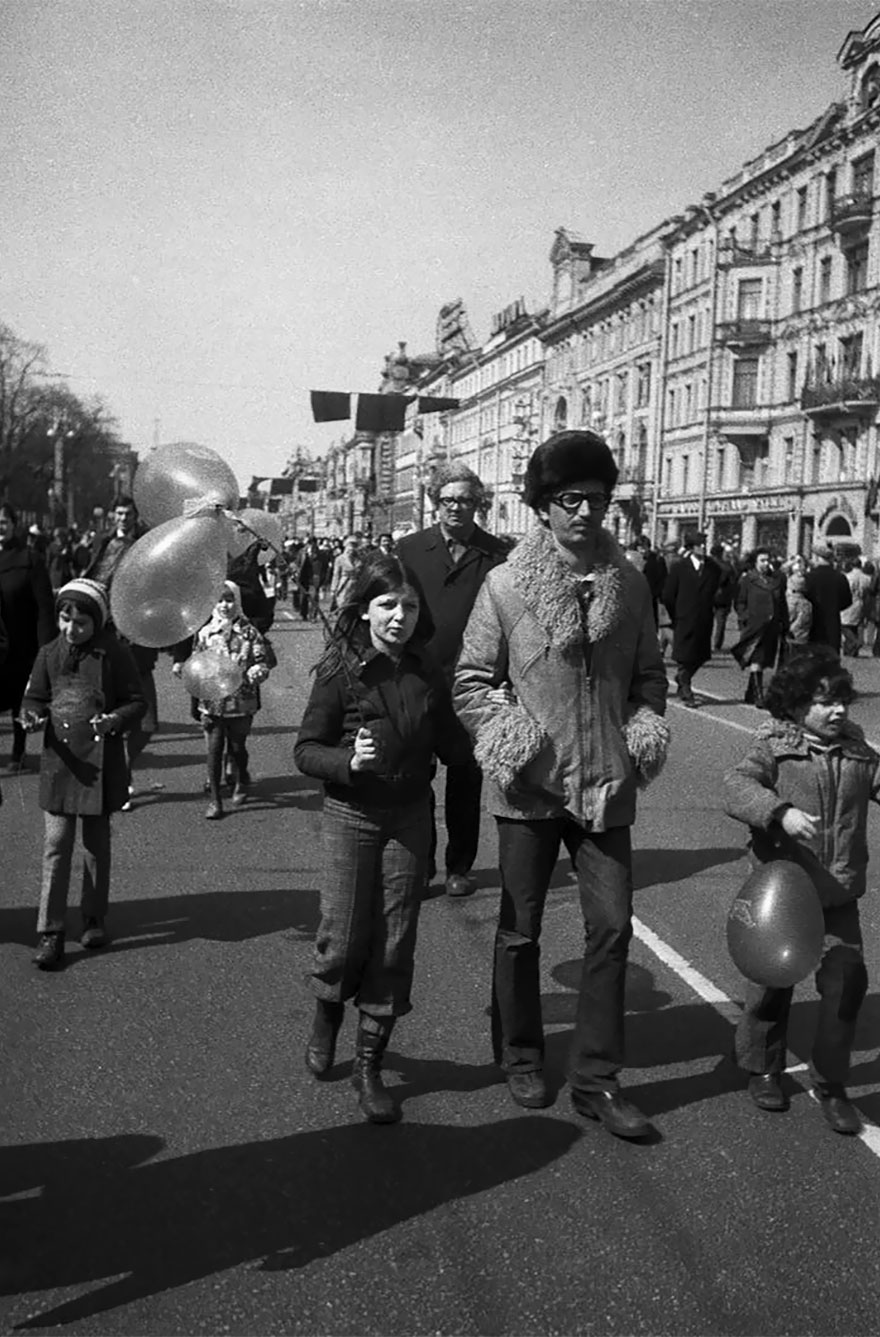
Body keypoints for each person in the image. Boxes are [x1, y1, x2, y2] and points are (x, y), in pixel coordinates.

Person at [455, 430, 669, 1138]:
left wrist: (641, 730)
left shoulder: (631, 584)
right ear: (543, 506)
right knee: (520, 928)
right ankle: (520, 1052)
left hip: (605, 785)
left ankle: (597, 1079)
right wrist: (513, 739)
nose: (584, 511)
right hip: (529, 789)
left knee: (612, 928)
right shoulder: (506, 584)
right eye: (569, 498)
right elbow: (471, 683)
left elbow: (648, 680)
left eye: (596, 498)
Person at [294, 554, 472, 1124]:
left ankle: (369, 1067)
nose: (399, 616)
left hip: (410, 818)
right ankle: (328, 1010)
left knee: (394, 943)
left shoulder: (427, 670)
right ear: (366, 609)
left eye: (409, 606)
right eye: (387, 605)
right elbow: (305, 751)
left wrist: (500, 735)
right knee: (343, 937)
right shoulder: (340, 671)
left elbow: (454, 745)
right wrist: (348, 761)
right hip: (351, 817)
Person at [723, 645, 873, 1135]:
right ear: (794, 705)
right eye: (824, 700)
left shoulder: (857, 750)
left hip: (838, 894)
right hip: (785, 895)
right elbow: (737, 786)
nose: (838, 710)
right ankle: (763, 1067)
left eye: (842, 700)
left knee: (846, 984)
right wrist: (779, 811)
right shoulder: (773, 746)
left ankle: (831, 1084)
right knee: (771, 984)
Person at [19, 578, 146, 970]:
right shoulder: (49, 654)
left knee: (95, 847)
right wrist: (31, 716)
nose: (71, 630)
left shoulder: (115, 654)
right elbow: (34, 697)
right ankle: (51, 930)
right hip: (60, 766)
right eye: (64, 619)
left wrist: (114, 720)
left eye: (80, 623)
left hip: (100, 766)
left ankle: (93, 917)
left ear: (98, 622)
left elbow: (136, 702)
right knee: (56, 846)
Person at [396, 463, 508, 897]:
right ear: (434, 503)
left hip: (473, 685)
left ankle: (459, 866)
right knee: (415, 778)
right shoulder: (410, 549)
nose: (456, 508)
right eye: (448, 500)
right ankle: (420, 865)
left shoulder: (496, 553)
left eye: (465, 500)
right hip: (419, 678)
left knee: (466, 780)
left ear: (477, 504)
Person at [175, 581, 271, 820]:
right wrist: (185, 669)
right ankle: (216, 800)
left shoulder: (249, 631)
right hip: (212, 701)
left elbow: (261, 660)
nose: (224, 605)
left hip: (241, 700)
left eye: (229, 600)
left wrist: (258, 671)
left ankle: (241, 779)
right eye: (219, 601)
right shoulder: (205, 632)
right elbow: (196, 660)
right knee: (214, 749)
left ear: (236, 602)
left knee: (238, 748)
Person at [85, 497, 157, 798]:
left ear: (135, 516)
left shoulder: (146, 544)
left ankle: (123, 769)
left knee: (148, 723)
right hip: (107, 640)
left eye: (128, 513)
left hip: (137, 644)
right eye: (119, 513)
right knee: (106, 716)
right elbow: (91, 580)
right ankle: (111, 780)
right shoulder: (103, 544)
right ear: (113, 516)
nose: (123, 518)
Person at [0, 503, 56, 773]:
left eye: (3, 522)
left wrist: (46, 651)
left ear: (13, 524)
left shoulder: (29, 559)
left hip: (21, 643)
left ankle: (18, 751)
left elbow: (44, 609)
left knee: (17, 701)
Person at [662, 531, 721, 707]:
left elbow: (717, 589)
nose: (703, 548)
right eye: (699, 545)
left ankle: (682, 678)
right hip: (684, 617)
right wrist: (676, 613)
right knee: (685, 655)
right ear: (690, 547)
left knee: (701, 655)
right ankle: (686, 689)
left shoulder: (713, 568)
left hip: (704, 618)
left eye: (704, 544)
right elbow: (668, 595)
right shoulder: (680, 567)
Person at [730, 547, 789, 707]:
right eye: (762, 560)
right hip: (754, 627)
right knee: (757, 659)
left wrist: (785, 624)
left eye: (767, 560)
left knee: (763, 661)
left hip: (772, 627)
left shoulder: (776, 580)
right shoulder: (748, 580)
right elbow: (740, 602)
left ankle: (750, 693)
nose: (765, 564)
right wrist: (745, 618)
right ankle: (758, 696)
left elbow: (782, 603)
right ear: (755, 562)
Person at [803, 543, 851, 654]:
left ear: (817, 557)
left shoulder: (809, 577)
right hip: (833, 622)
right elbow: (847, 601)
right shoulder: (840, 577)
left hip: (813, 623)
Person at [840, 557, 871, 657]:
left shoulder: (848, 577)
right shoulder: (866, 578)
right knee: (855, 626)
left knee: (845, 625)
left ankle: (854, 642)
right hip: (861, 602)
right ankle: (851, 651)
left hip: (849, 601)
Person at [710, 542, 738, 652]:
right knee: (721, 623)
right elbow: (734, 582)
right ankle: (717, 644)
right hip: (723, 598)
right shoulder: (728, 566)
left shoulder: (706, 565)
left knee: (705, 621)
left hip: (708, 596)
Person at [328, 533, 362, 613]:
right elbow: (336, 575)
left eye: (354, 546)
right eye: (349, 546)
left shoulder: (360, 559)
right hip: (344, 584)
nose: (351, 549)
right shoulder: (339, 559)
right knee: (343, 606)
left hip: (357, 585)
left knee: (355, 607)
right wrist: (333, 589)